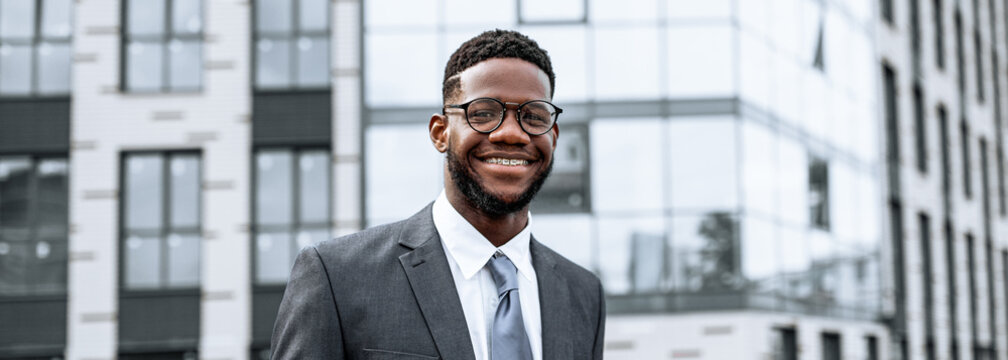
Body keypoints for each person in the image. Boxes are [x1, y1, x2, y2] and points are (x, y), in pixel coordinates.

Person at [270, 29, 605, 360]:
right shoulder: (336, 277)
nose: (511, 133)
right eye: (484, 113)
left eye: (533, 116)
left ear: (554, 136)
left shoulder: (583, 294)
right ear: (440, 132)